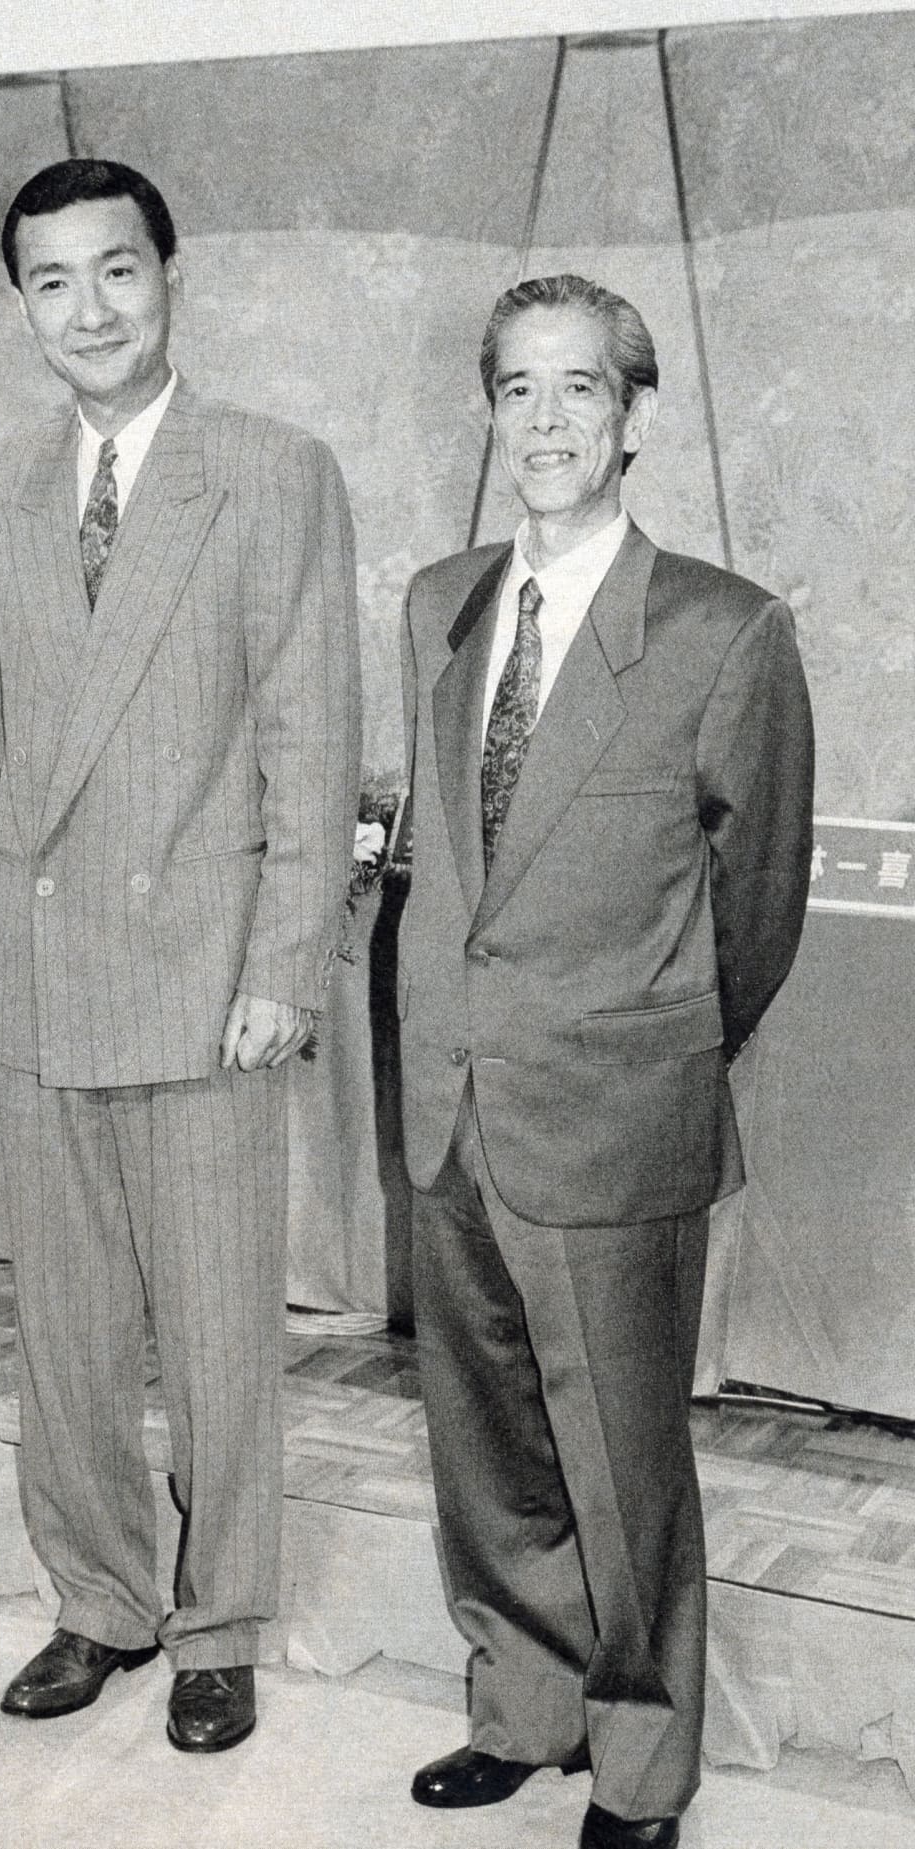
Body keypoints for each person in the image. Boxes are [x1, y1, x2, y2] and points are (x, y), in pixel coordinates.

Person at [0, 158, 360, 1753]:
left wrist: (285, 962)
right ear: (21, 306)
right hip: (37, 968)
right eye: (52, 281)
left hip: (205, 972)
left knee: (221, 1322)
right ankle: (100, 1598)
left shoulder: (271, 470)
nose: (90, 309)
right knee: (66, 1325)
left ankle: (220, 1620)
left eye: (117, 269)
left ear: (172, 276)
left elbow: (313, 736)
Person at [397, 275, 813, 1847]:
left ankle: (641, 1763)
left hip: (615, 1116)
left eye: (582, 388)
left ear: (635, 416)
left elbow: (757, 903)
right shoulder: (437, 602)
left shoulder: (723, 628)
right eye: (519, 389)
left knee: (627, 1464)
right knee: (486, 1440)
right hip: (451, 1105)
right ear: (490, 413)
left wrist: (655, 1041)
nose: (548, 419)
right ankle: (524, 1700)